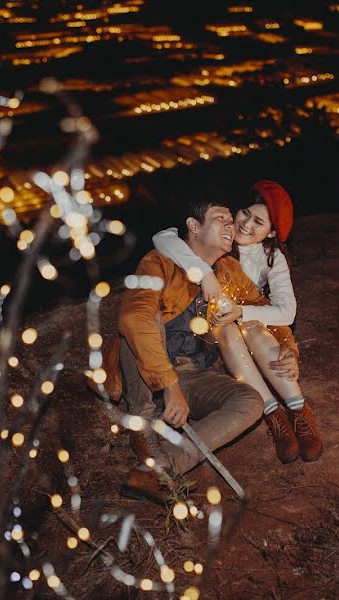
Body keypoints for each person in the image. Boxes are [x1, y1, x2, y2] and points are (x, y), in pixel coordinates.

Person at [101, 198, 300, 504]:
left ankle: (160, 466)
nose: (232, 226)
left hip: (194, 373)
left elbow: (262, 308)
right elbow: (132, 318)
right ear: (193, 226)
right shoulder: (159, 263)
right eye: (222, 218)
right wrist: (169, 386)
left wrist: (287, 348)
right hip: (148, 367)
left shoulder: (229, 269)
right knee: (144, 317)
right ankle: (142, 420)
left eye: (229, 221)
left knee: (251, 402)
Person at [152, 181, 323, 464]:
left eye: (259, 222)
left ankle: (297, 408)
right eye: (244, 213)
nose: (245, 225)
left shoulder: (272, 257)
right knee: (228, 325)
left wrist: (288, 348)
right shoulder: (221, 238)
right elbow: (163, 237)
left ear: (271, 232)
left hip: (251, 333)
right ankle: (271, 411)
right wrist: (204, 273)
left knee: (250, 324)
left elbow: (285, 311)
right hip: (212, 334)